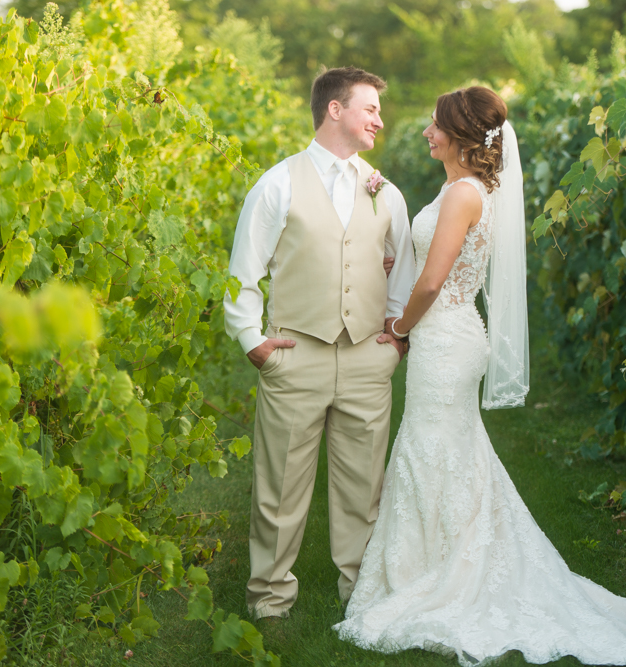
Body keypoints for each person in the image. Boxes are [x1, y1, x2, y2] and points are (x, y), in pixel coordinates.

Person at [333, 87, 626, 667]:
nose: (427, 133)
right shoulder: (463, 188)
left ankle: (441, 572)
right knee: (445, 449)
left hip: (445, 335)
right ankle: (440, 560)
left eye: (435, 126)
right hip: (450, 334)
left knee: (431, 448)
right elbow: (434, 261)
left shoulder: (463, 193)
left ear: (458, 135)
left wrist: (400, 328)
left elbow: (432, 285)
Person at [224, 67, 415, 623]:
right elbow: (243, 273)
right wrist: (253, 342)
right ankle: (270, 601)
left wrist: (394, 339)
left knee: (364, 487)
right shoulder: (277, 183)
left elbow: (403, 267)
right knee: (279, 489)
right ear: (335, 110)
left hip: (366, 357)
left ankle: (360, 597)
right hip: (295, 354)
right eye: (370, 108)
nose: (380, 118)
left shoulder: (387, 191)